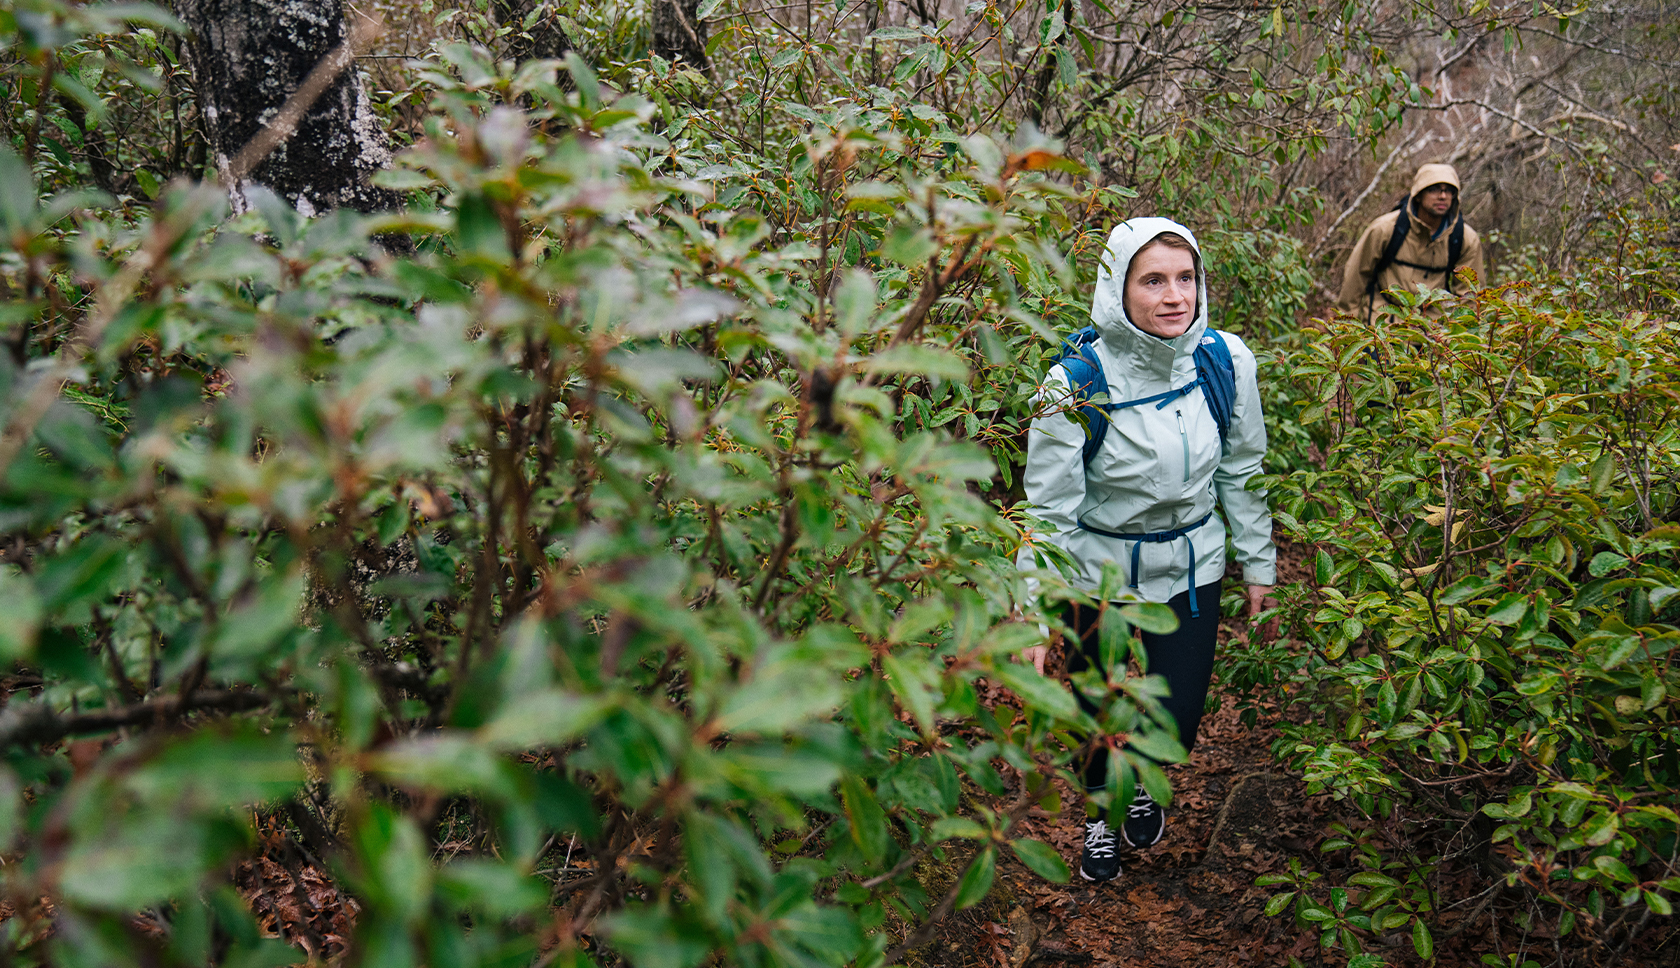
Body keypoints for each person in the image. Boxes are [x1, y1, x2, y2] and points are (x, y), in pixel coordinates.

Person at [1016, 218, 1276, 884]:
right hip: (1096, 573)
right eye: (1153, 280)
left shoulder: (1225, 362)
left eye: (1185, 278)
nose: (1174, 296)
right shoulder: (1072, 385)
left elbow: (1241, 470)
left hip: (1192, 566)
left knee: (1178, 718)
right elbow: (1047, 512)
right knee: (1097, 715)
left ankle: (1143, 781)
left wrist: (1258, 561)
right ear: (1118, 287)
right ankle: (1099, 817)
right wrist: (1034, 607)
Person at [1336, 163, 1485, 322]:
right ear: (1418, 194)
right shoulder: (1385, 229)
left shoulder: (1464, 238)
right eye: (1434, 189)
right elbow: (1356, 278)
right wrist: (1346, 328)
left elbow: (1469, 298)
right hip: (1382, 327)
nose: (1443, 196)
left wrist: (1457, 337)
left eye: (1449, 190)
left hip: (1433, 331)